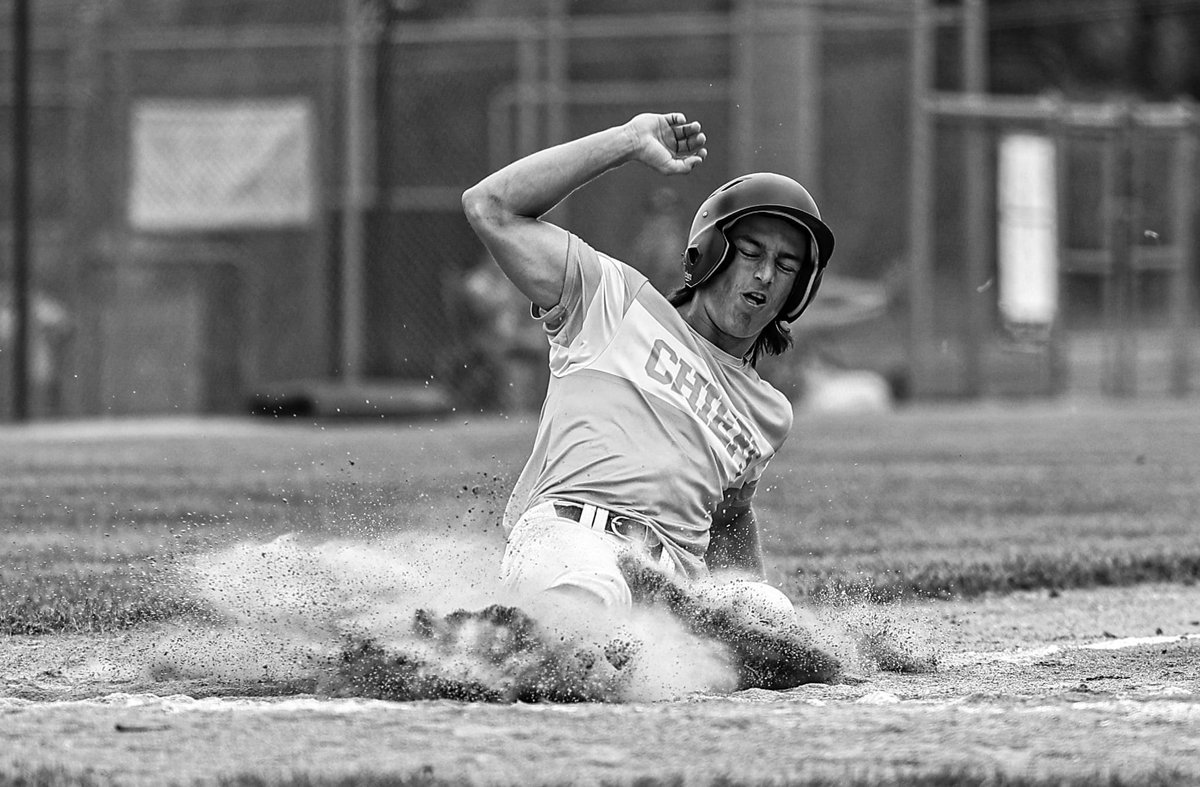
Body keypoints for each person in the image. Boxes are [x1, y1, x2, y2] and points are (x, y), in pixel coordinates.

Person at [461, 112, 834, 617]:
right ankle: (489, 651)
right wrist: (628, 141)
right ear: (709, 252)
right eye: (750, 251)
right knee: (596, 595)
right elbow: (491, 207)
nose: (767, 274)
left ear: (797, 291)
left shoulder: (770, 413)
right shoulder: (612, 299)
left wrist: (750, 621)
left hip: (672, 584)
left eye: (787, 266)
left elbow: (729, 517)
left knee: (769, 613)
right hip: (572, 540)